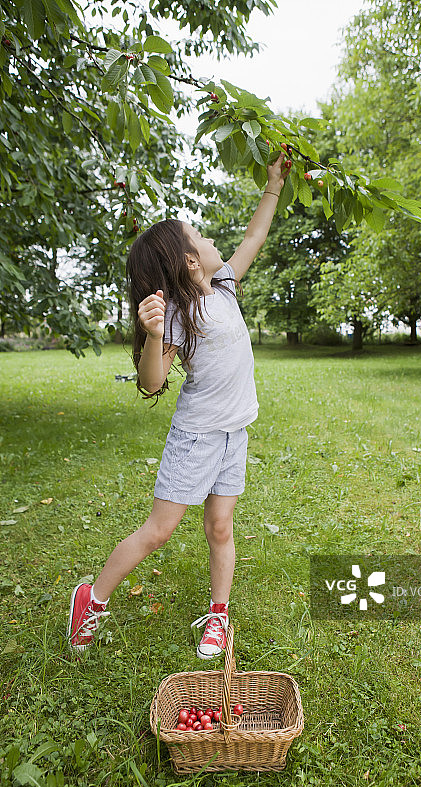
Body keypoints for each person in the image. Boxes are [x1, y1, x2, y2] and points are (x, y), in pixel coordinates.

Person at [67, 153, 291, 659]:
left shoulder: (226, 287)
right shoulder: (176, 315)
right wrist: (150, 336)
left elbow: (253, 237)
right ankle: (91, 598)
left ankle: (218, 616)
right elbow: (151, 382)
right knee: (160, 530)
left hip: (234, 434)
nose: (215, 242)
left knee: (220, 526)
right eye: (203, 238)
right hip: (196, 438)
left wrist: (273, 186)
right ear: (191, 261)